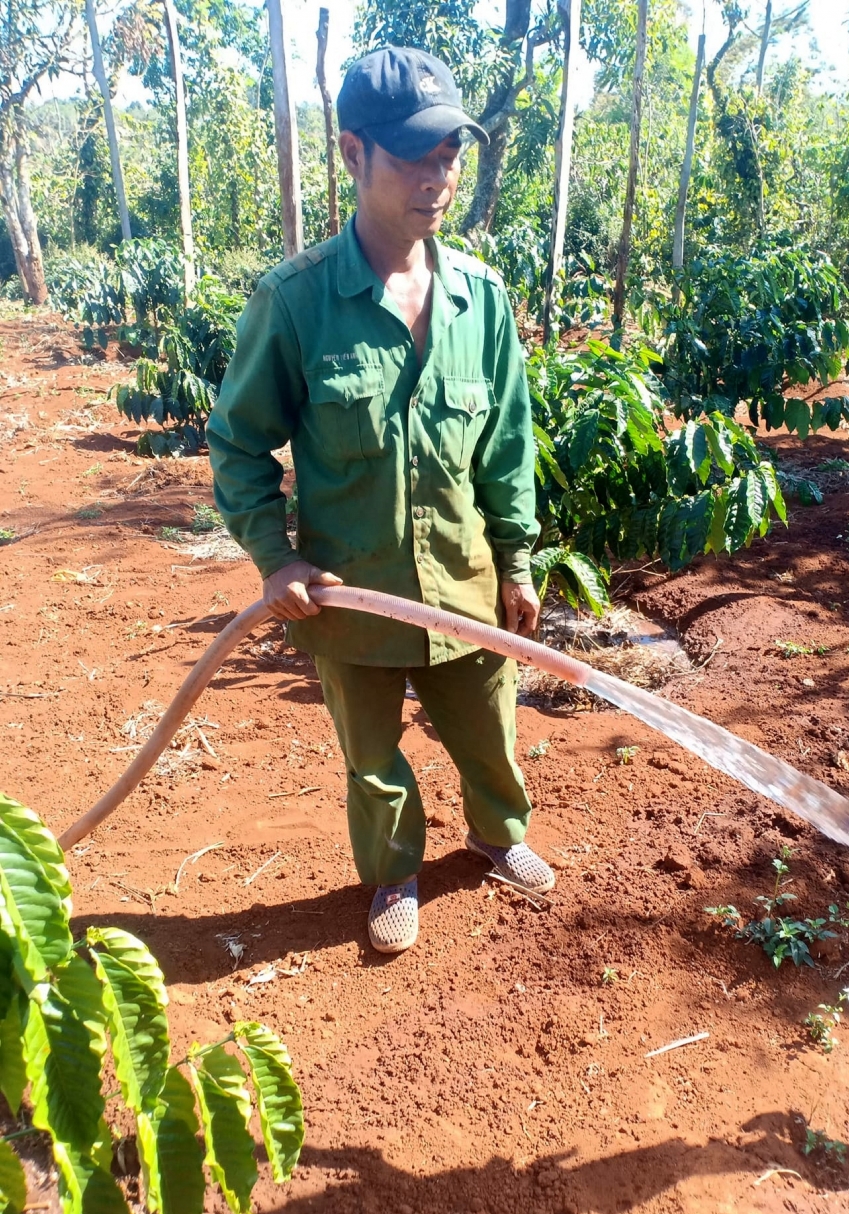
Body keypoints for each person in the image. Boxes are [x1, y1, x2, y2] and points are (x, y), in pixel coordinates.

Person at [207, 46, 555, 955]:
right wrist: (275, 557)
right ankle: (393, 874)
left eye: (450, 155)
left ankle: (497, 834)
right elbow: (239, 443)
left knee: (491, 732)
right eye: (413, 156)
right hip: (351, 594)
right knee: (374, 763)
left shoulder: (483, 301)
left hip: (464, 589)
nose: (437, 177)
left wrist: (516, 560)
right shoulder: (294, 303)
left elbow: (507, 446)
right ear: (352, 153)